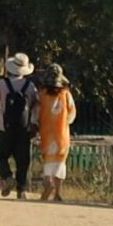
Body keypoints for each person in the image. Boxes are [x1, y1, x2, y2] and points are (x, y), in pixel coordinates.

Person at [0, 53, 36, 199]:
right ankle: (21, 190)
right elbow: (35, 106)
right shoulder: (30, 86)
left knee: (0, 156)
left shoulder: (3, 84)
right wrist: (34, 124)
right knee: (23, 161)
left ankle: (7, 177)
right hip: (24, 129)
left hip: (4, 128)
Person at [36, 63, 76, 202]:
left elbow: (36, 114)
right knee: (60, 162)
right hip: (62, 134)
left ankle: (48, 184)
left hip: (46, 133)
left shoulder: (41, 95)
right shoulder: (66, 95)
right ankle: (58, 193)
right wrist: (64, 122)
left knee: (48, 161)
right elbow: (72, 114)